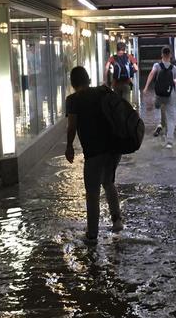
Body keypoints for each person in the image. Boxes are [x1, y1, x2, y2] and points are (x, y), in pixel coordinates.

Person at [65, 66, 123, 243]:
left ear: (73, 83)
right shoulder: (103, 92)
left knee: (92, 192)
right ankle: (117, 220)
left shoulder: (73, 100)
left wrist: (69, 146)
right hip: (114, 147)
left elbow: (72, 126)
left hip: (94, 151)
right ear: (88, 79)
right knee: (108, 182)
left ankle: (92, 235)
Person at [143, 46, 176, 149]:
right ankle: (169, 142)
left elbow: (151, 75)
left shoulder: (157, 65)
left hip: (159, 94)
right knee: (171, 118)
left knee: (156, 107)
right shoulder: (174, 68)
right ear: (170, 55)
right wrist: (175, 82)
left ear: (162, 55)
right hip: (170, 96)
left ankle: (159, 123)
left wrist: (146, 87)